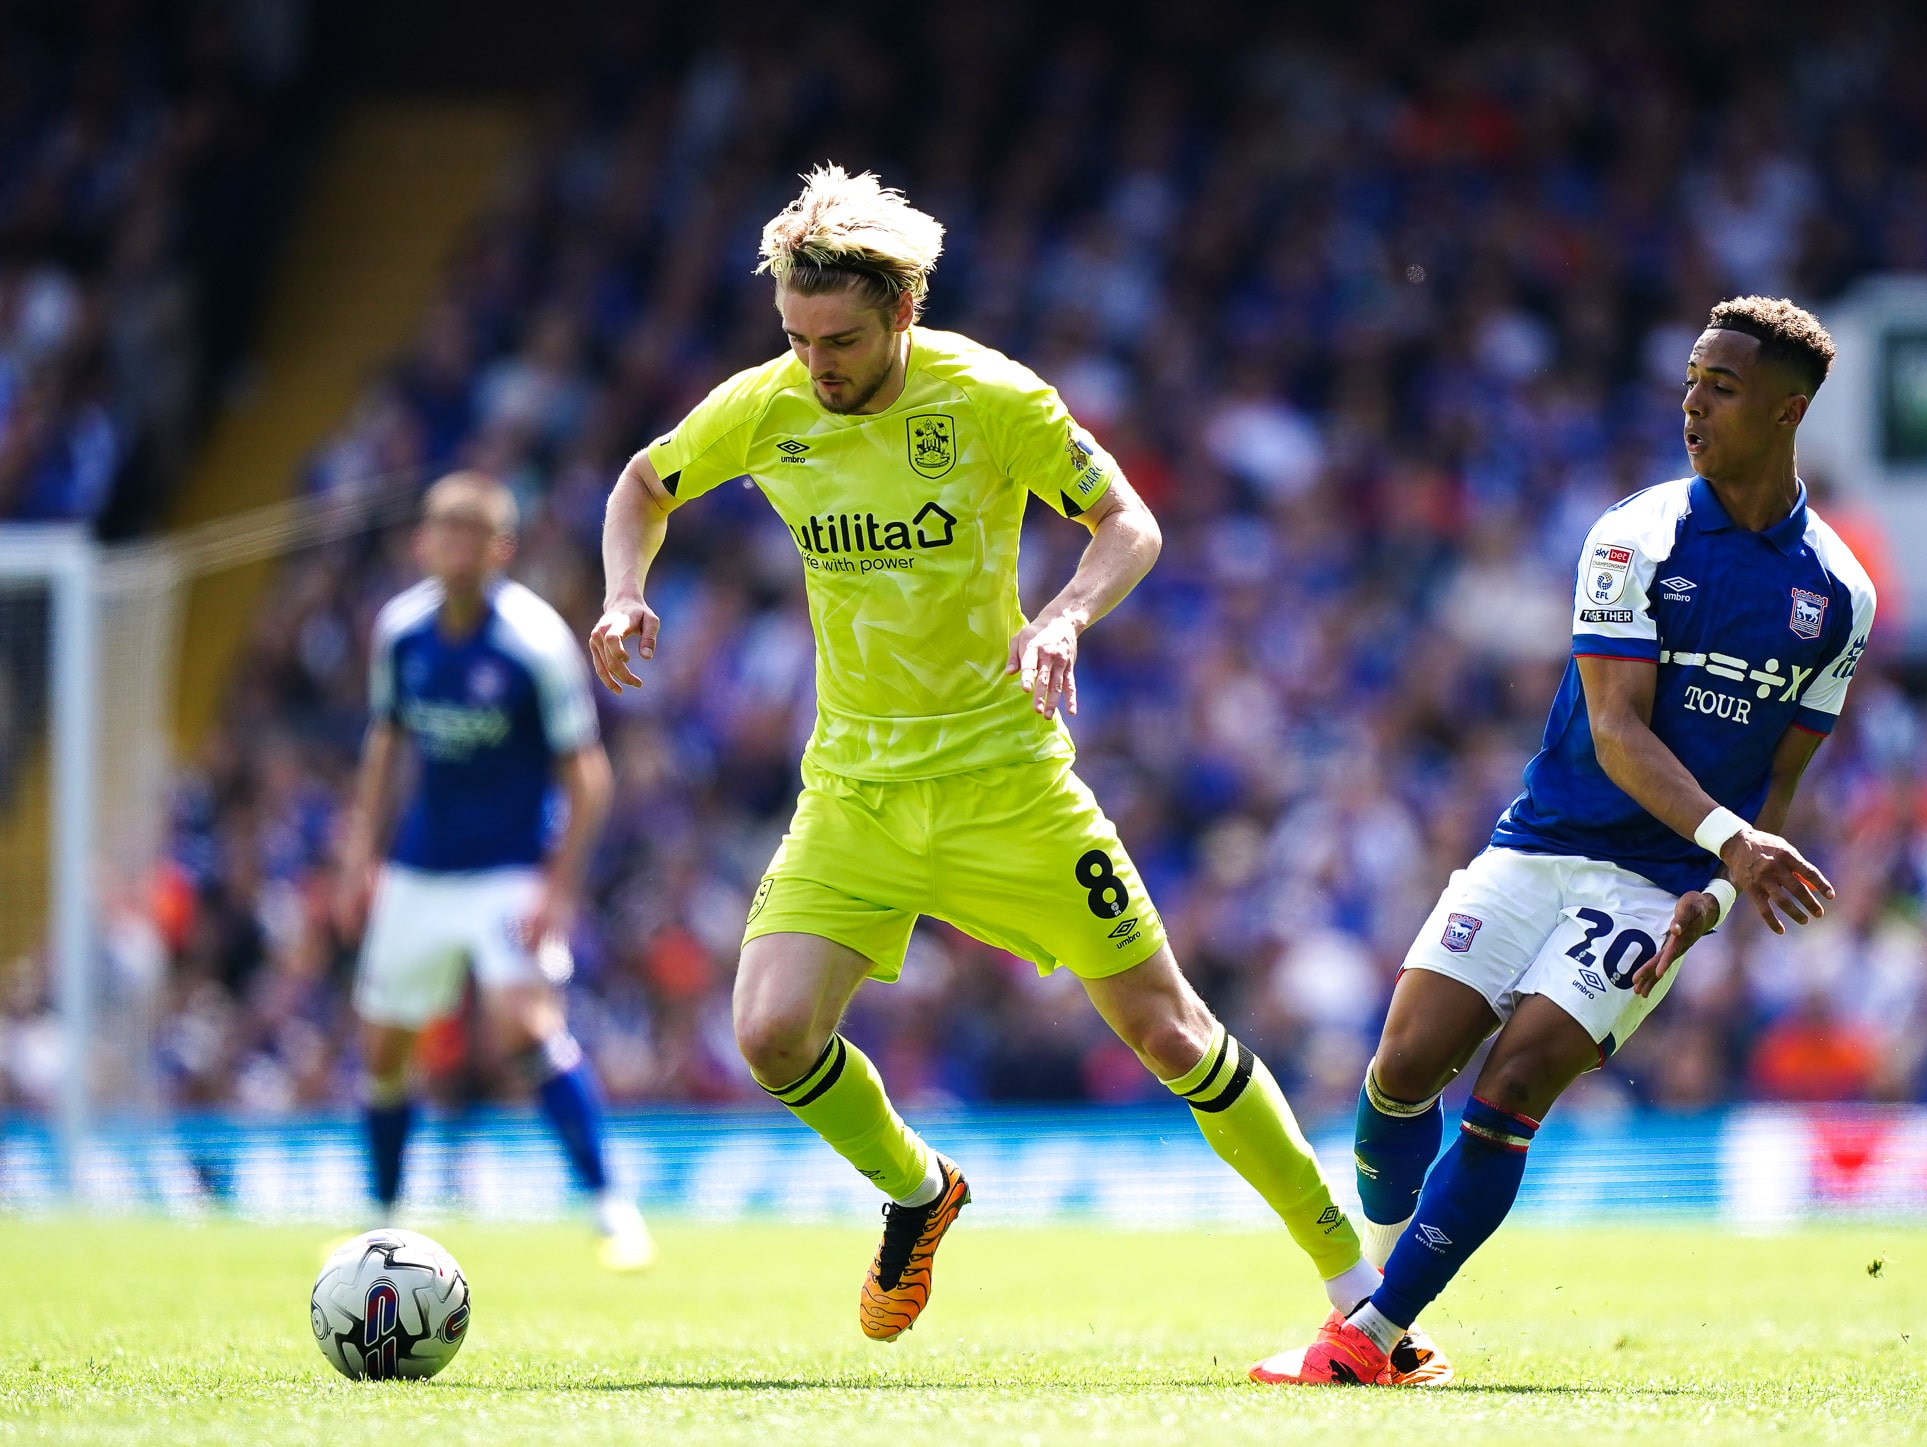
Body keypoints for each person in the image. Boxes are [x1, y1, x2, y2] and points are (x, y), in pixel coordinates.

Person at [589, 165, 1432, 1366]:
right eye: (794, 335)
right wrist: (624, 591)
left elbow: (1127, 519)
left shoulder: (989, 399)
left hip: (1006, 782)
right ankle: (918, 1189)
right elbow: (641, 483)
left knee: (1171, 1034)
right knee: (771, 1033)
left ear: (902, 316)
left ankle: (1361, 1294)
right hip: (856, 792)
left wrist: (1068, 614)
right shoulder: (765, 407)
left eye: (838, 339)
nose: (816, 365)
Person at [1251, 296, 1877, 1386]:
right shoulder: (1634, 534)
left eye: (1720, 388)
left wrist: (1717, 896)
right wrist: (1732, 845)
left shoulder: (1837, 595)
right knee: (1400, 1072)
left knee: (1514, 1082)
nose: (1691, 403)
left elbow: (1780, 782)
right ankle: (1376, 1288)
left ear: (1788, 411)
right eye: (1688, 378)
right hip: (1538, 845)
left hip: (1660, 885)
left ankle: (1370, 1336)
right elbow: (1615, 731)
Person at [338, 471, 654, 1271]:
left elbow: (589, 775)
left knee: (524, 1025)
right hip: (419, 864)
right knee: (383, 1049)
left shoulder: (534, 640)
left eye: (469, 529)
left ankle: (612, 1207)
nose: (451, 541)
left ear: (500, 548)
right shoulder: (400, 632)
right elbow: (384, 746)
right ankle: (383, 1221)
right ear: (421, 540)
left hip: (510, 867)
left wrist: (559, 885)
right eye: (440, 526)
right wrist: (358, 855)